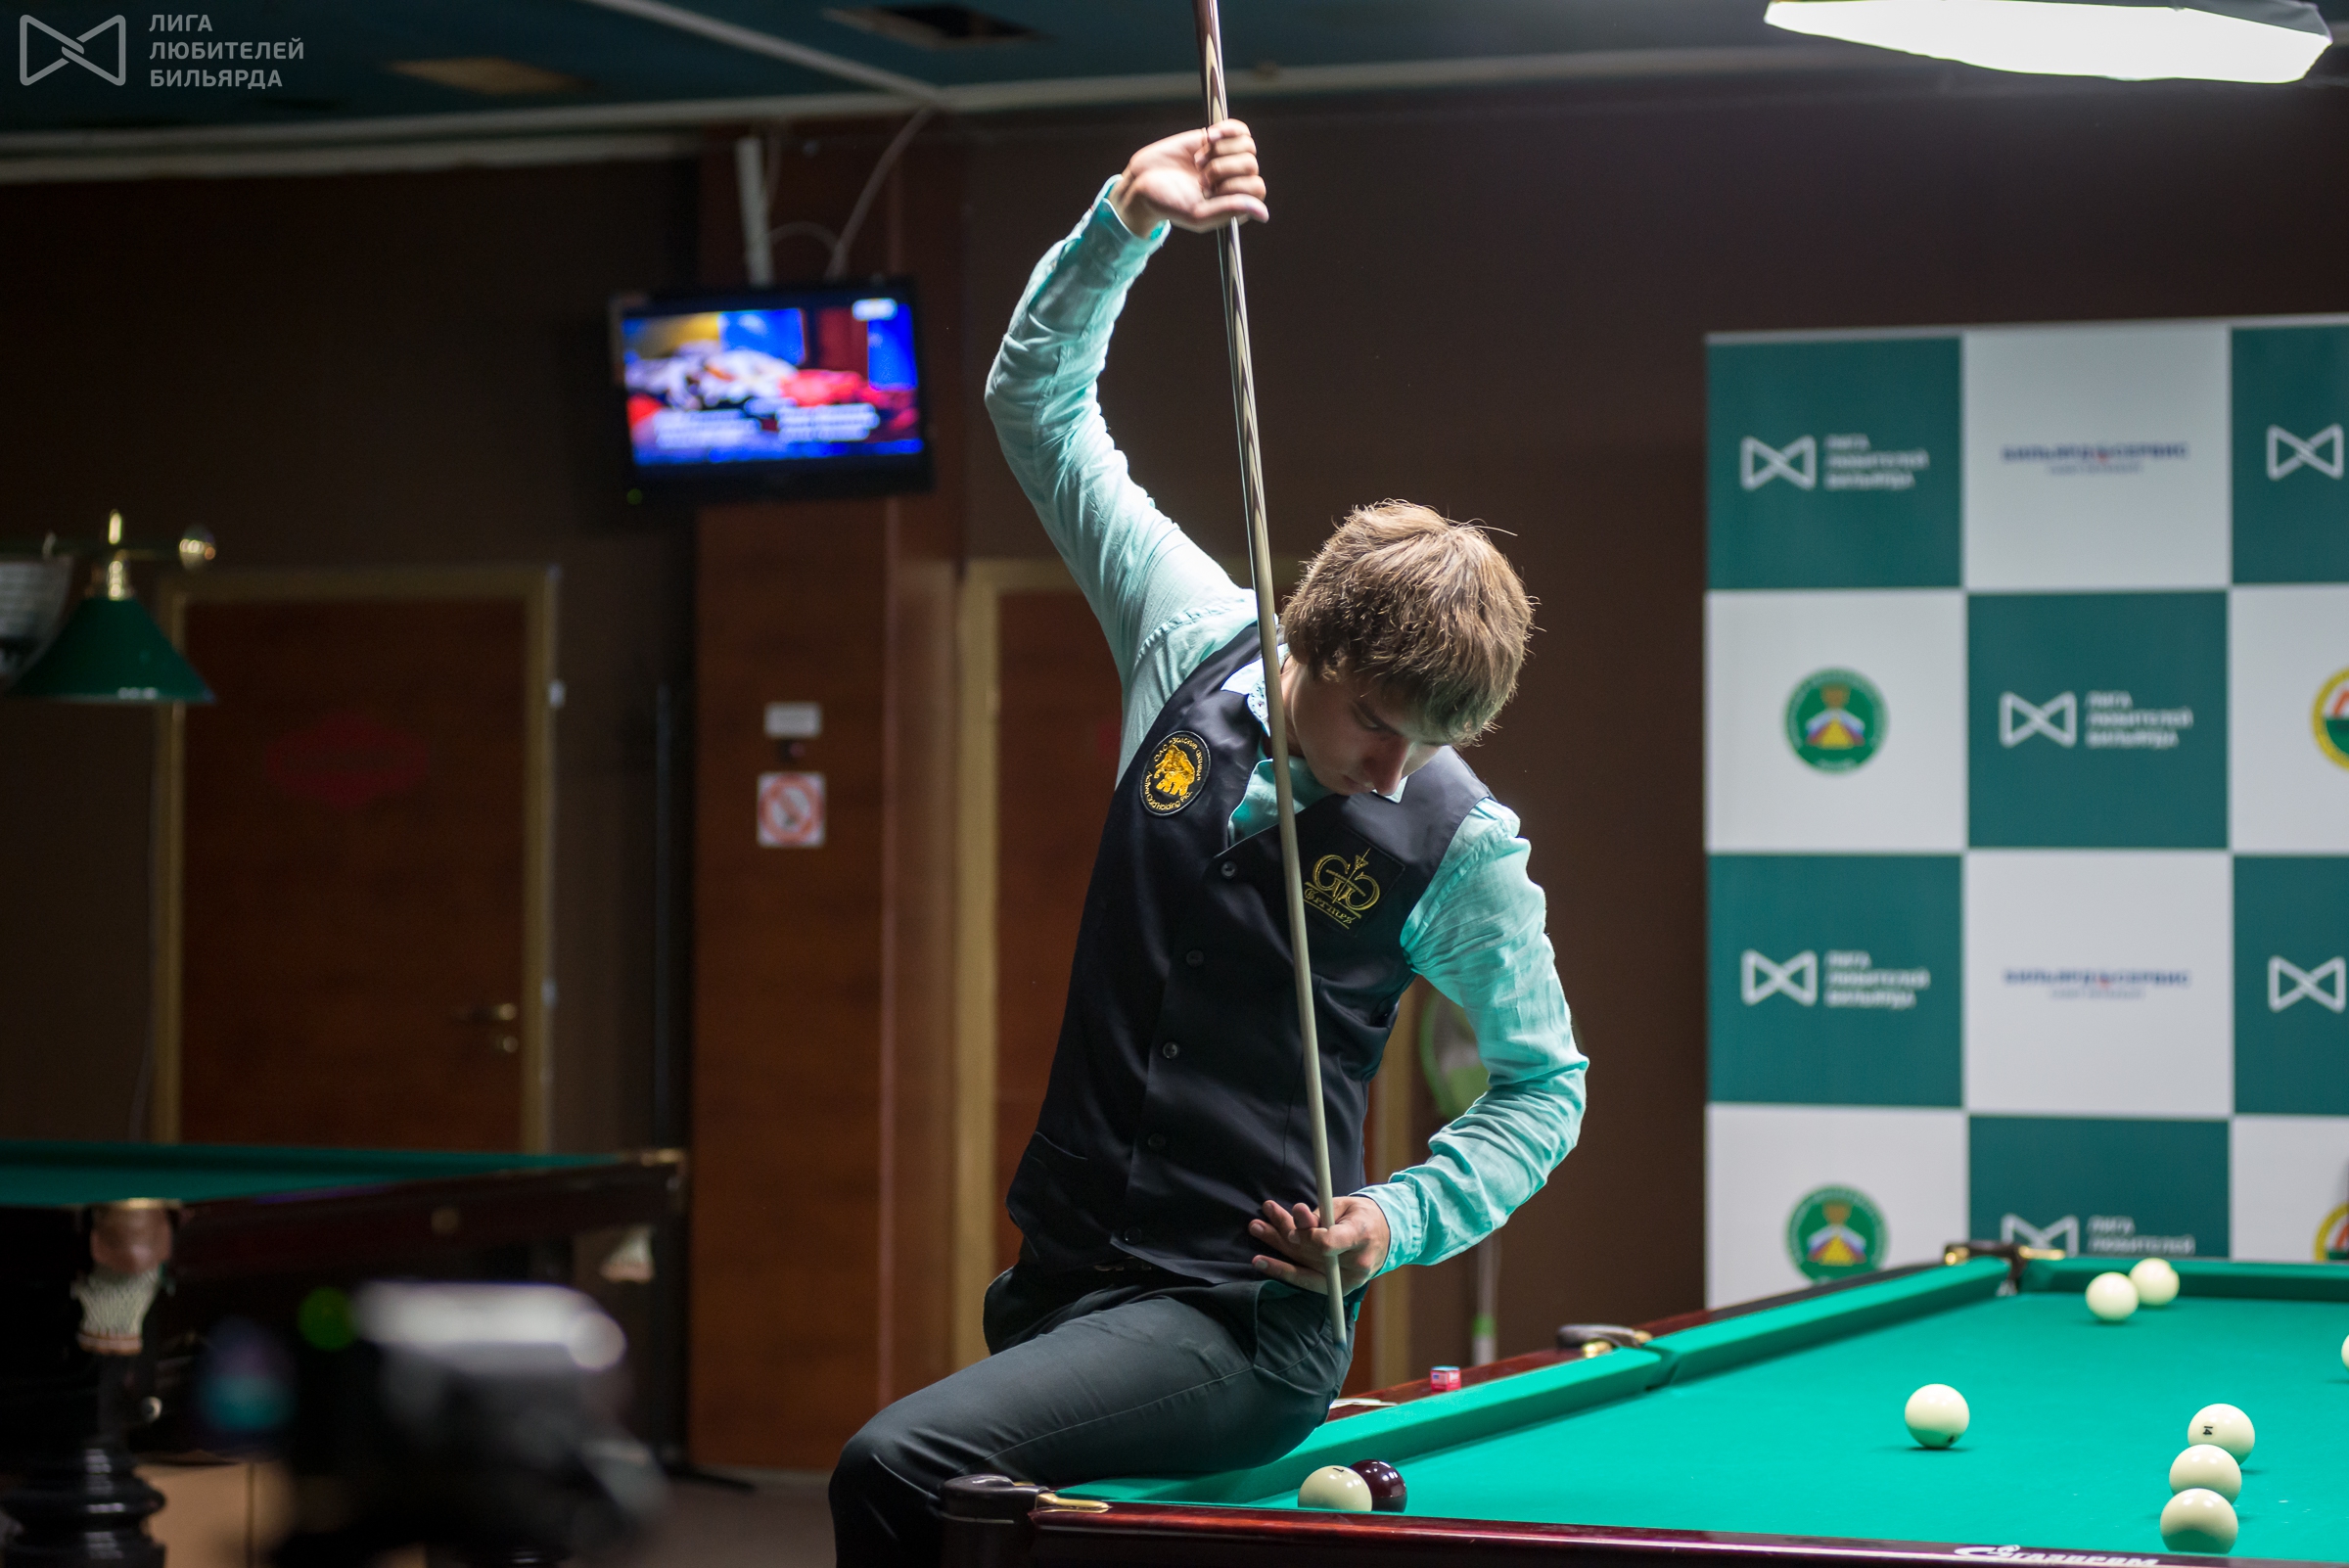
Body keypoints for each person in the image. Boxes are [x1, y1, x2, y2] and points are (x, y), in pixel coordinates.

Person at [829, 118, 1586, 1568]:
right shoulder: (1189, 637)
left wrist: (1392, 1221)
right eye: (1377, 723)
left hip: (1240, 1320)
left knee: (896, 1465)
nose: (1396, 768)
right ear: (1313, 643)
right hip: (1060, 1272)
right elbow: (1037, 405)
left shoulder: (1463, 845)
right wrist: (1124, 220)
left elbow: (1545, 1088)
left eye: (1432, 741)